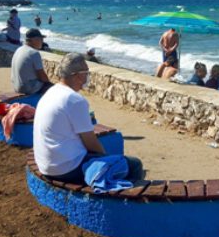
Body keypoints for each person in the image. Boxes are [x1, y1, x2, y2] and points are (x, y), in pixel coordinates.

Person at [33, 53, 143, 184]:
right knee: (134, 164)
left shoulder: (51, 92)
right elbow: (90, 142)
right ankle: (127, 200)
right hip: (66, 169)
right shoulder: (74, 100)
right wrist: (108, 159)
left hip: (46, 165)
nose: (87, 77)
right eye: (86, 72)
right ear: (78, 75)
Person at [11, 28, 53, 95]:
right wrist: (50, 84)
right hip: (27, 88)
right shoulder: (33, 53)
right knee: (53, 89)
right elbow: (42, 76)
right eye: (41, 39)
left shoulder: (19, 49)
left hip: (16, 86)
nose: (42, 42)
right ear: (34, 40)